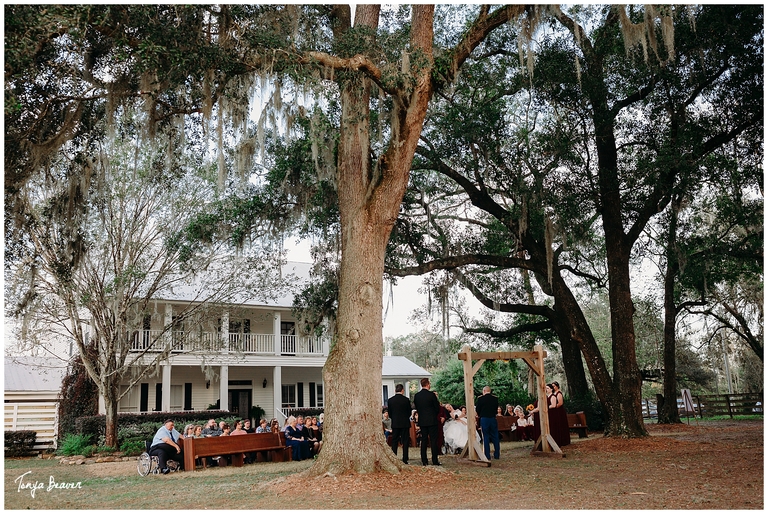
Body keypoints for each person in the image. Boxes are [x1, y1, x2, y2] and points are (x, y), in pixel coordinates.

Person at [413, 377, 441, 466]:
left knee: (424, 440)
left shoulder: (417, 396)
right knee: (433, 440)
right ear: (428, 384)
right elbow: (437, 408)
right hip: (432, 420)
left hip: (422, 420)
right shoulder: (431, 395)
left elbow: (416, 407)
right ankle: (434, 460)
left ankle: (424, 460)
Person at [387, 383, 412, 464]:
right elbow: (409, 412)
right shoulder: (406, 400)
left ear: (395, 390)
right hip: (404, 423)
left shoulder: (390, 400)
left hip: (395, 423)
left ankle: (394, 457)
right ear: (402, 390)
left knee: (394, 440)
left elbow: (390, 413)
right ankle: (405, 458)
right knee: (405, 441)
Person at [475, 385, 500, 460]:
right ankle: (497, 455)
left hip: (484, 419)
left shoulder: (481, 399)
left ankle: (487, 455)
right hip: (493, 418)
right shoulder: (495, 399)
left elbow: (478, 409)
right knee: (495, 436)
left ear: (484, 391)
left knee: (485, 436)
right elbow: (496, 409)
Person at [550, 382, 571, 447]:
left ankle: (564, 440)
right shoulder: (553, 394)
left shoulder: (559, 393)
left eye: (554, 386)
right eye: (552, 386)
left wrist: (554, 406)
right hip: (555, 411)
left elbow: (560, 403)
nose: (553, 387)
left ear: (557, 386)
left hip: (559, 411)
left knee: (561, 424)